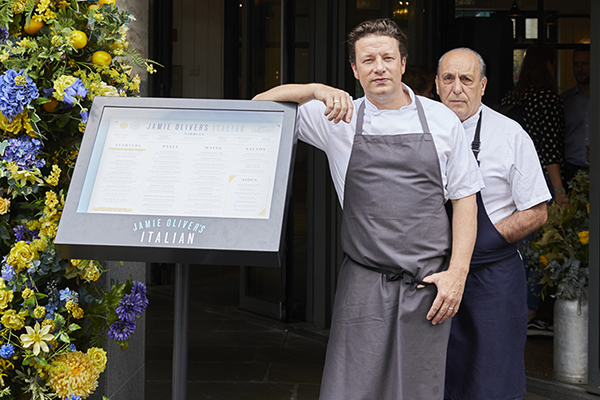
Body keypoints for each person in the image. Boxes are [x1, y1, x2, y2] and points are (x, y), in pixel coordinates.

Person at [254, 19, 482, 400]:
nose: (379, 67)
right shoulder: (337, 118)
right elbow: (259, 108)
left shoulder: (441, 120)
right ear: (355, 70)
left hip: (427, 285)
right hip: (364, 281)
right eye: (368, 59)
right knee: (351, 389)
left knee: (418, 390)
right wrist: (314, 89)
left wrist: (456, 274)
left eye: (387, 57)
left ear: (403, 64)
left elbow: (464, 200)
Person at [436, 48, 551, 400]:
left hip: (492, 281)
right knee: (438, 378)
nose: (457, 88)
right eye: (449, 79)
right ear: (438, 86)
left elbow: (537, 210)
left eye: (467, 79)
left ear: (482, 85)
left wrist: (487, 239)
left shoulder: (510, 135)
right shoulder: (420, 130)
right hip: (435, 276)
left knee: (492, 381)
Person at [500, 43, 568, 207]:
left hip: (514, 175)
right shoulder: (547, 99)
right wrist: (559, 192)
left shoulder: (513, 97)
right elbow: (550, 149)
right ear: (548, 65)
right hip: (543, 178)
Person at [561, 46, 590, 184]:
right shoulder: (564, 100)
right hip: (571, 170)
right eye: (576, 64)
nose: (579, 69)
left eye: (584, 64)